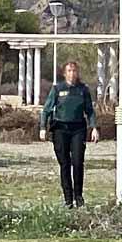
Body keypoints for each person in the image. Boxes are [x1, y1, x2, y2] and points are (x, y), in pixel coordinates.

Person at [40, 61, 100, 208]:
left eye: (74, 71)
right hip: (60, 129)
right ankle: (68, 199)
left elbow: (89, 111)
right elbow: (47, 110)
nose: (72, 73)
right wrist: (43, 127)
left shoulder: (83, 90)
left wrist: (94, 128)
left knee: (78, 163)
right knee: (65, 164)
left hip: (78, 129)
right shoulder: (58, 89)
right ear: (64, 73)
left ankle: (78, 197)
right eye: (69, 71)